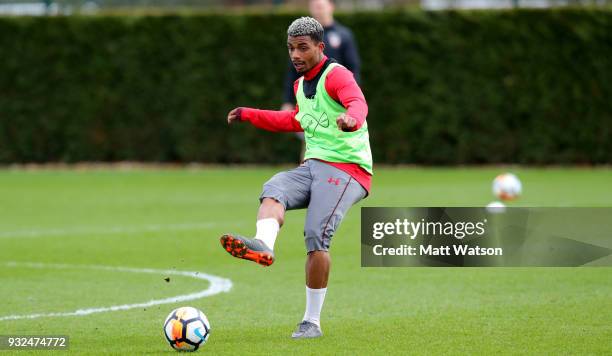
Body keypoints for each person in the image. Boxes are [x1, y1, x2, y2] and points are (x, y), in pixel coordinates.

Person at [220, 17, 372, 339]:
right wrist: (250, 113)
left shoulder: (337, 75)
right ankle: (264, 245)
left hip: (347, 169)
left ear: (320, 47)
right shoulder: (300, 85)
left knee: (316, 235)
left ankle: (311, 322)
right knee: (274, 186)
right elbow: (293, 120)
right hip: (313, 166)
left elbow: (358, 103)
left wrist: (352, 119)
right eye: (291, 48)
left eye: (303, 48)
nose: (295, 54)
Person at [281, 0, 361, 112]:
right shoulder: (302, 37)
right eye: (314, 7)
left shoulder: (344, 35)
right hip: (309, 99)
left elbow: (353, 68)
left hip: (335, 100)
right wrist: (288, 101)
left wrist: (352, 99)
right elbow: (292, 70)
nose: (317, 11)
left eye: (320, 6)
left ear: (331, 7)